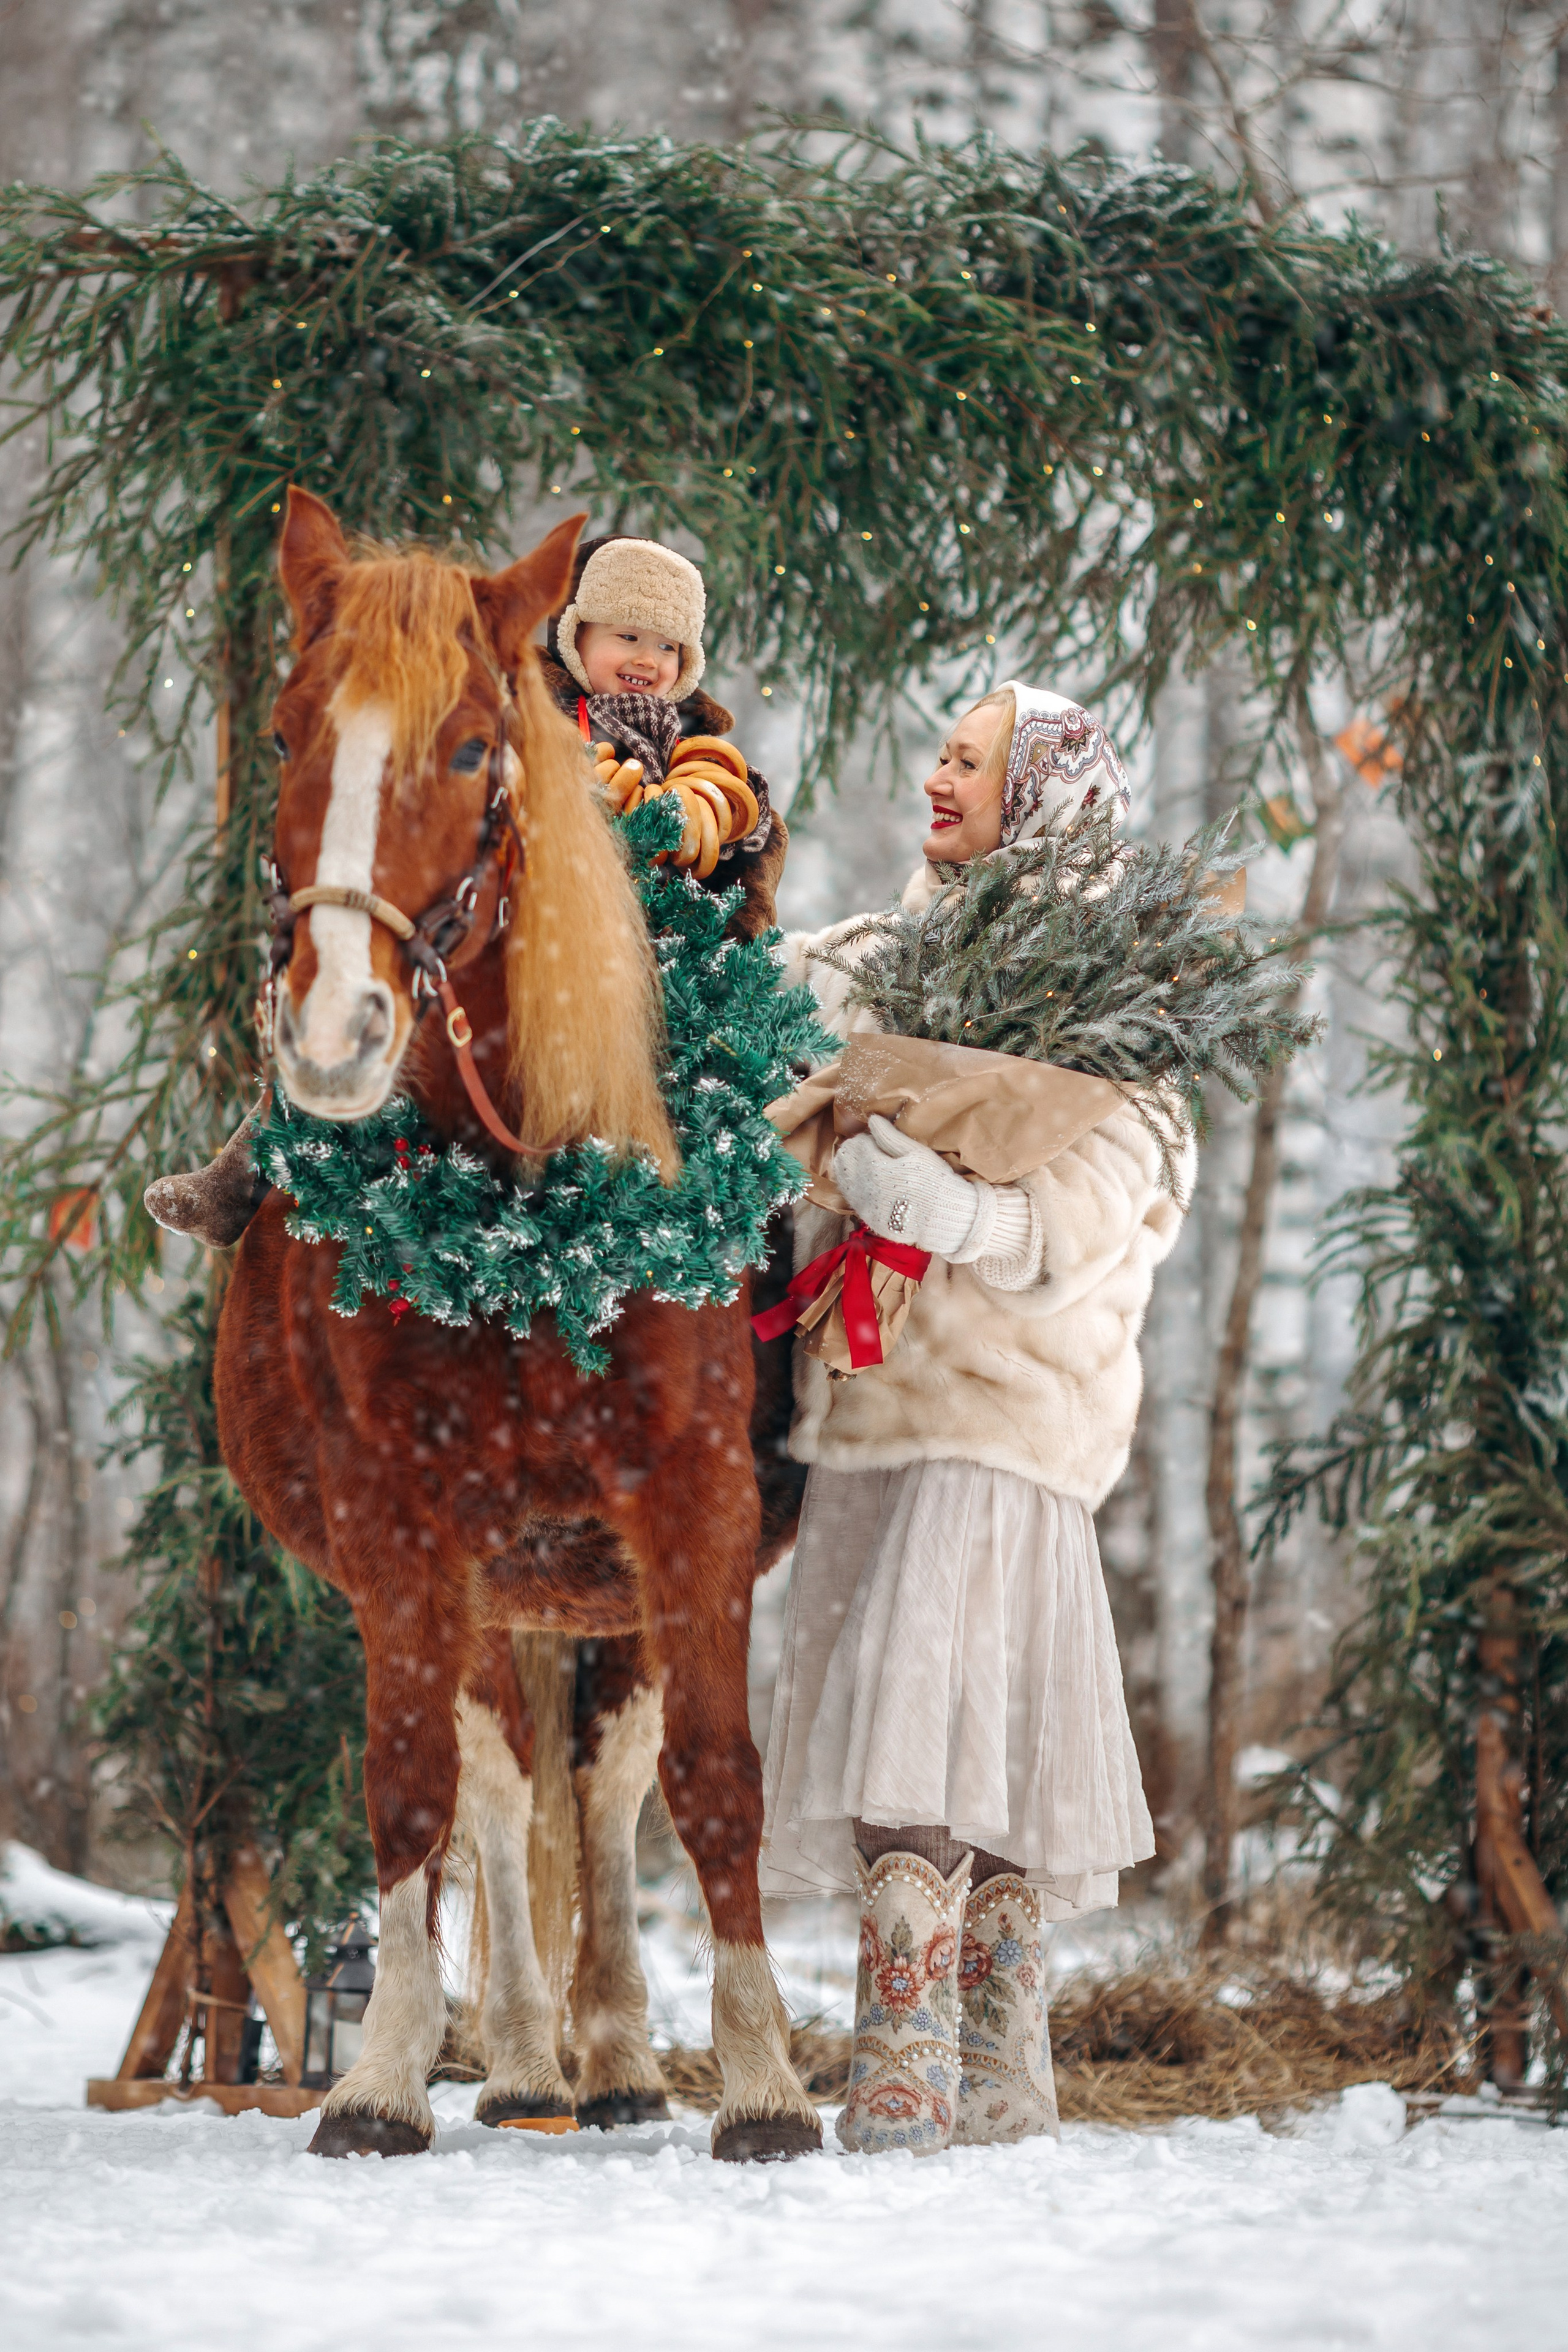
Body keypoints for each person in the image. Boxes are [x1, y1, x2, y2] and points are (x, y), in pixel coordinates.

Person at [758, 682, 1191, 2156]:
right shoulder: (874, 959)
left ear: (1043, 796)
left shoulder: (1111, 984)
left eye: (971, 759)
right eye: (940, 750)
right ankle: (982, 2052)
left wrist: (963, 1212)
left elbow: (1124, 1182)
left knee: (929, 1688)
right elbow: (770, 1038)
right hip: (872, 1392)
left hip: (1006, 1403)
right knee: (954, 1702)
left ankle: (919, 2051)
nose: (937, 775)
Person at [145, 532, 786, 1246]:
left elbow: (743, 824)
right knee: (362, 1007)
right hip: (535, 933)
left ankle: (750, 1217)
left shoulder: (695, 745)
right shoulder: (527, 714)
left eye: (667, 646)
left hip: (656, 950)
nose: (646, 658)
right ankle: (244, 1171)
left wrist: (700, 831)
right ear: (574, 638)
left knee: (736, 1069)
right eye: (626, 636)